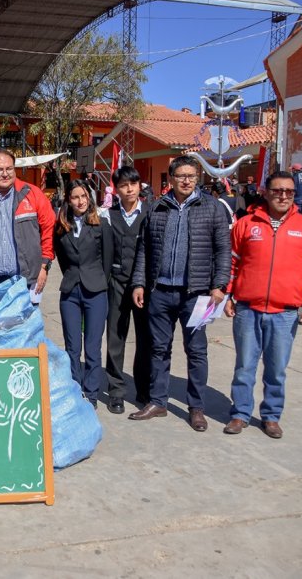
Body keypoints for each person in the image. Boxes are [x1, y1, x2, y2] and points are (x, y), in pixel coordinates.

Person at [129, 155, 231, 431]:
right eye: (181, 176)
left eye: (191, 176)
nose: (186, 181)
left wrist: (219, 285)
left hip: (196, 294)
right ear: (171, 179)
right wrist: (139, 283)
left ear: (197, 178)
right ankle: (158, 401)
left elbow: (223, 249)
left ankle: (196, 408)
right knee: (158, 349)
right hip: (160, 291)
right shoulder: (157, 207)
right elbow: (144, 249)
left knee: (196, 351)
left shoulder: (212, 208)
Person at [223, 171, 302, 439]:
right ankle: (240, 413)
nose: (283, 196)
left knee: (277, 370)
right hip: (248, 309)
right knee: (244, 367)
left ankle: (271, 416)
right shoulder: (246, 224)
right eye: (277, 191)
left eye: (289, 192)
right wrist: (227, 296)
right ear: (266, 192)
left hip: (285, 313)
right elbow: (232, 263)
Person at [54, 180, 112, 409]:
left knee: (92, 346)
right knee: (72, 346)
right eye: (75, 197)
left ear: (89, 198)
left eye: (84, 196)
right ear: (68, 200)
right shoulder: (61, 227)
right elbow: (61, 258)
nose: (80, 201)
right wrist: (73, 276)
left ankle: (91, 393)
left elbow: (107, 260)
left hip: (95, 291)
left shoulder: (101, 225)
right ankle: (75, 390)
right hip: (70, 291)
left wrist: (97, 280)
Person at [0, 148, 55, 292]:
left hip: (25, 282)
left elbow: (49, 230)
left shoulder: (33, 194)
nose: (5, 174)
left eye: (9, 168)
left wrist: (44, 266)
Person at [101, 166, 151, 412]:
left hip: (145, 286)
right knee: (115, 338)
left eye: (133, 183)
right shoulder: (108, 216)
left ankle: (144, 390)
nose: (129, 189)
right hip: (117, 283)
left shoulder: (152, 213)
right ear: (116, 189)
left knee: (146, 339)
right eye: (123, 185)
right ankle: (116, 391)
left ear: (140, 185)